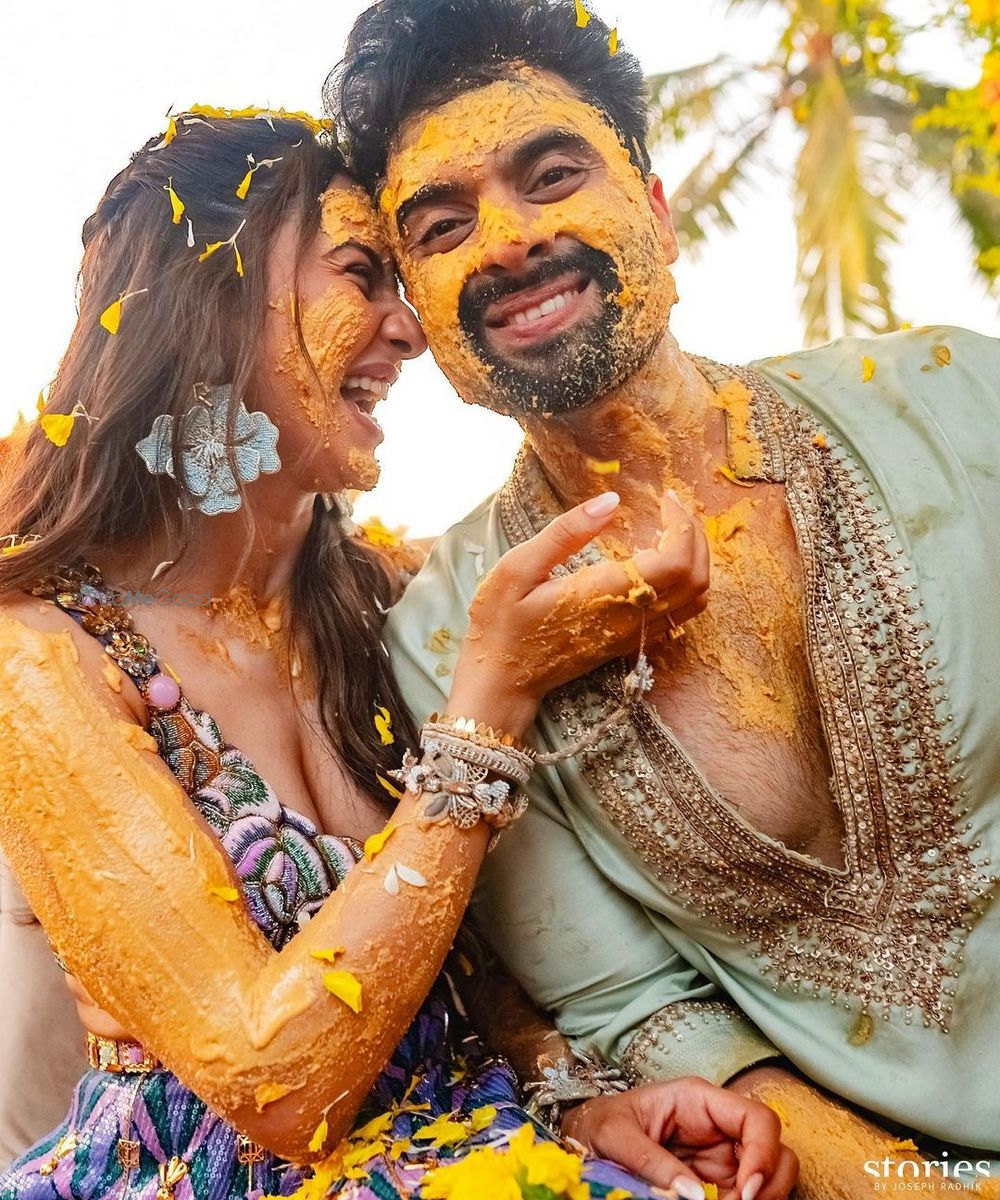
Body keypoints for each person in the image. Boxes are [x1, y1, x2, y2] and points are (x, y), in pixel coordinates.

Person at [0, 109, 796, 1200]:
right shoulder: (42, 662)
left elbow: (472, 972)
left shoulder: (397, 605)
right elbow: (276, 1087)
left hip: (477, 1141)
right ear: (213, 297)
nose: (409, 326)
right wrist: (488, 711)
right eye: (360, 273)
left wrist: (578, 1098)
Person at [329, 0, 1000, 1192]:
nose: (506, 239)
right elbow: (640, 1008)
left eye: (551, 174)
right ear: (421, 316)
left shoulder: (957, 400)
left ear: (654, 209)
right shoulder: (447, 644)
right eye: (441, 226)